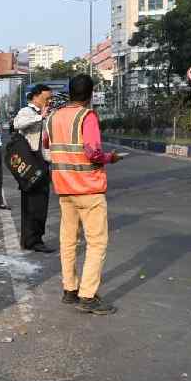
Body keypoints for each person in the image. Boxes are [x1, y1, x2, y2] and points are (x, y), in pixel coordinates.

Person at [44, 74, 122, 315]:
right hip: (88, 188)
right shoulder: (87, 116)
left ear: (70, 92)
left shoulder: (53, 117)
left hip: (64, 188)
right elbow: (93, 153)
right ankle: (87, 296)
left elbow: (46, 144)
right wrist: (110, 158)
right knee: (96, 243)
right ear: (90, 94)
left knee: (68, 240)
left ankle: (70, 289)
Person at [13, 84, 54, 253]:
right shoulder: (26, 112)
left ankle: (34, 238)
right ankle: (31, 240)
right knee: (31, 203)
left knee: (41, 202)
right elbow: (17, 124)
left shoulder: (47, 114)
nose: (49, 101)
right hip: (31, 163)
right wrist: (40, 117)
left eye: (50, 98)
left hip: (43, 162)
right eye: (46, 98)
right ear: (36, 97)